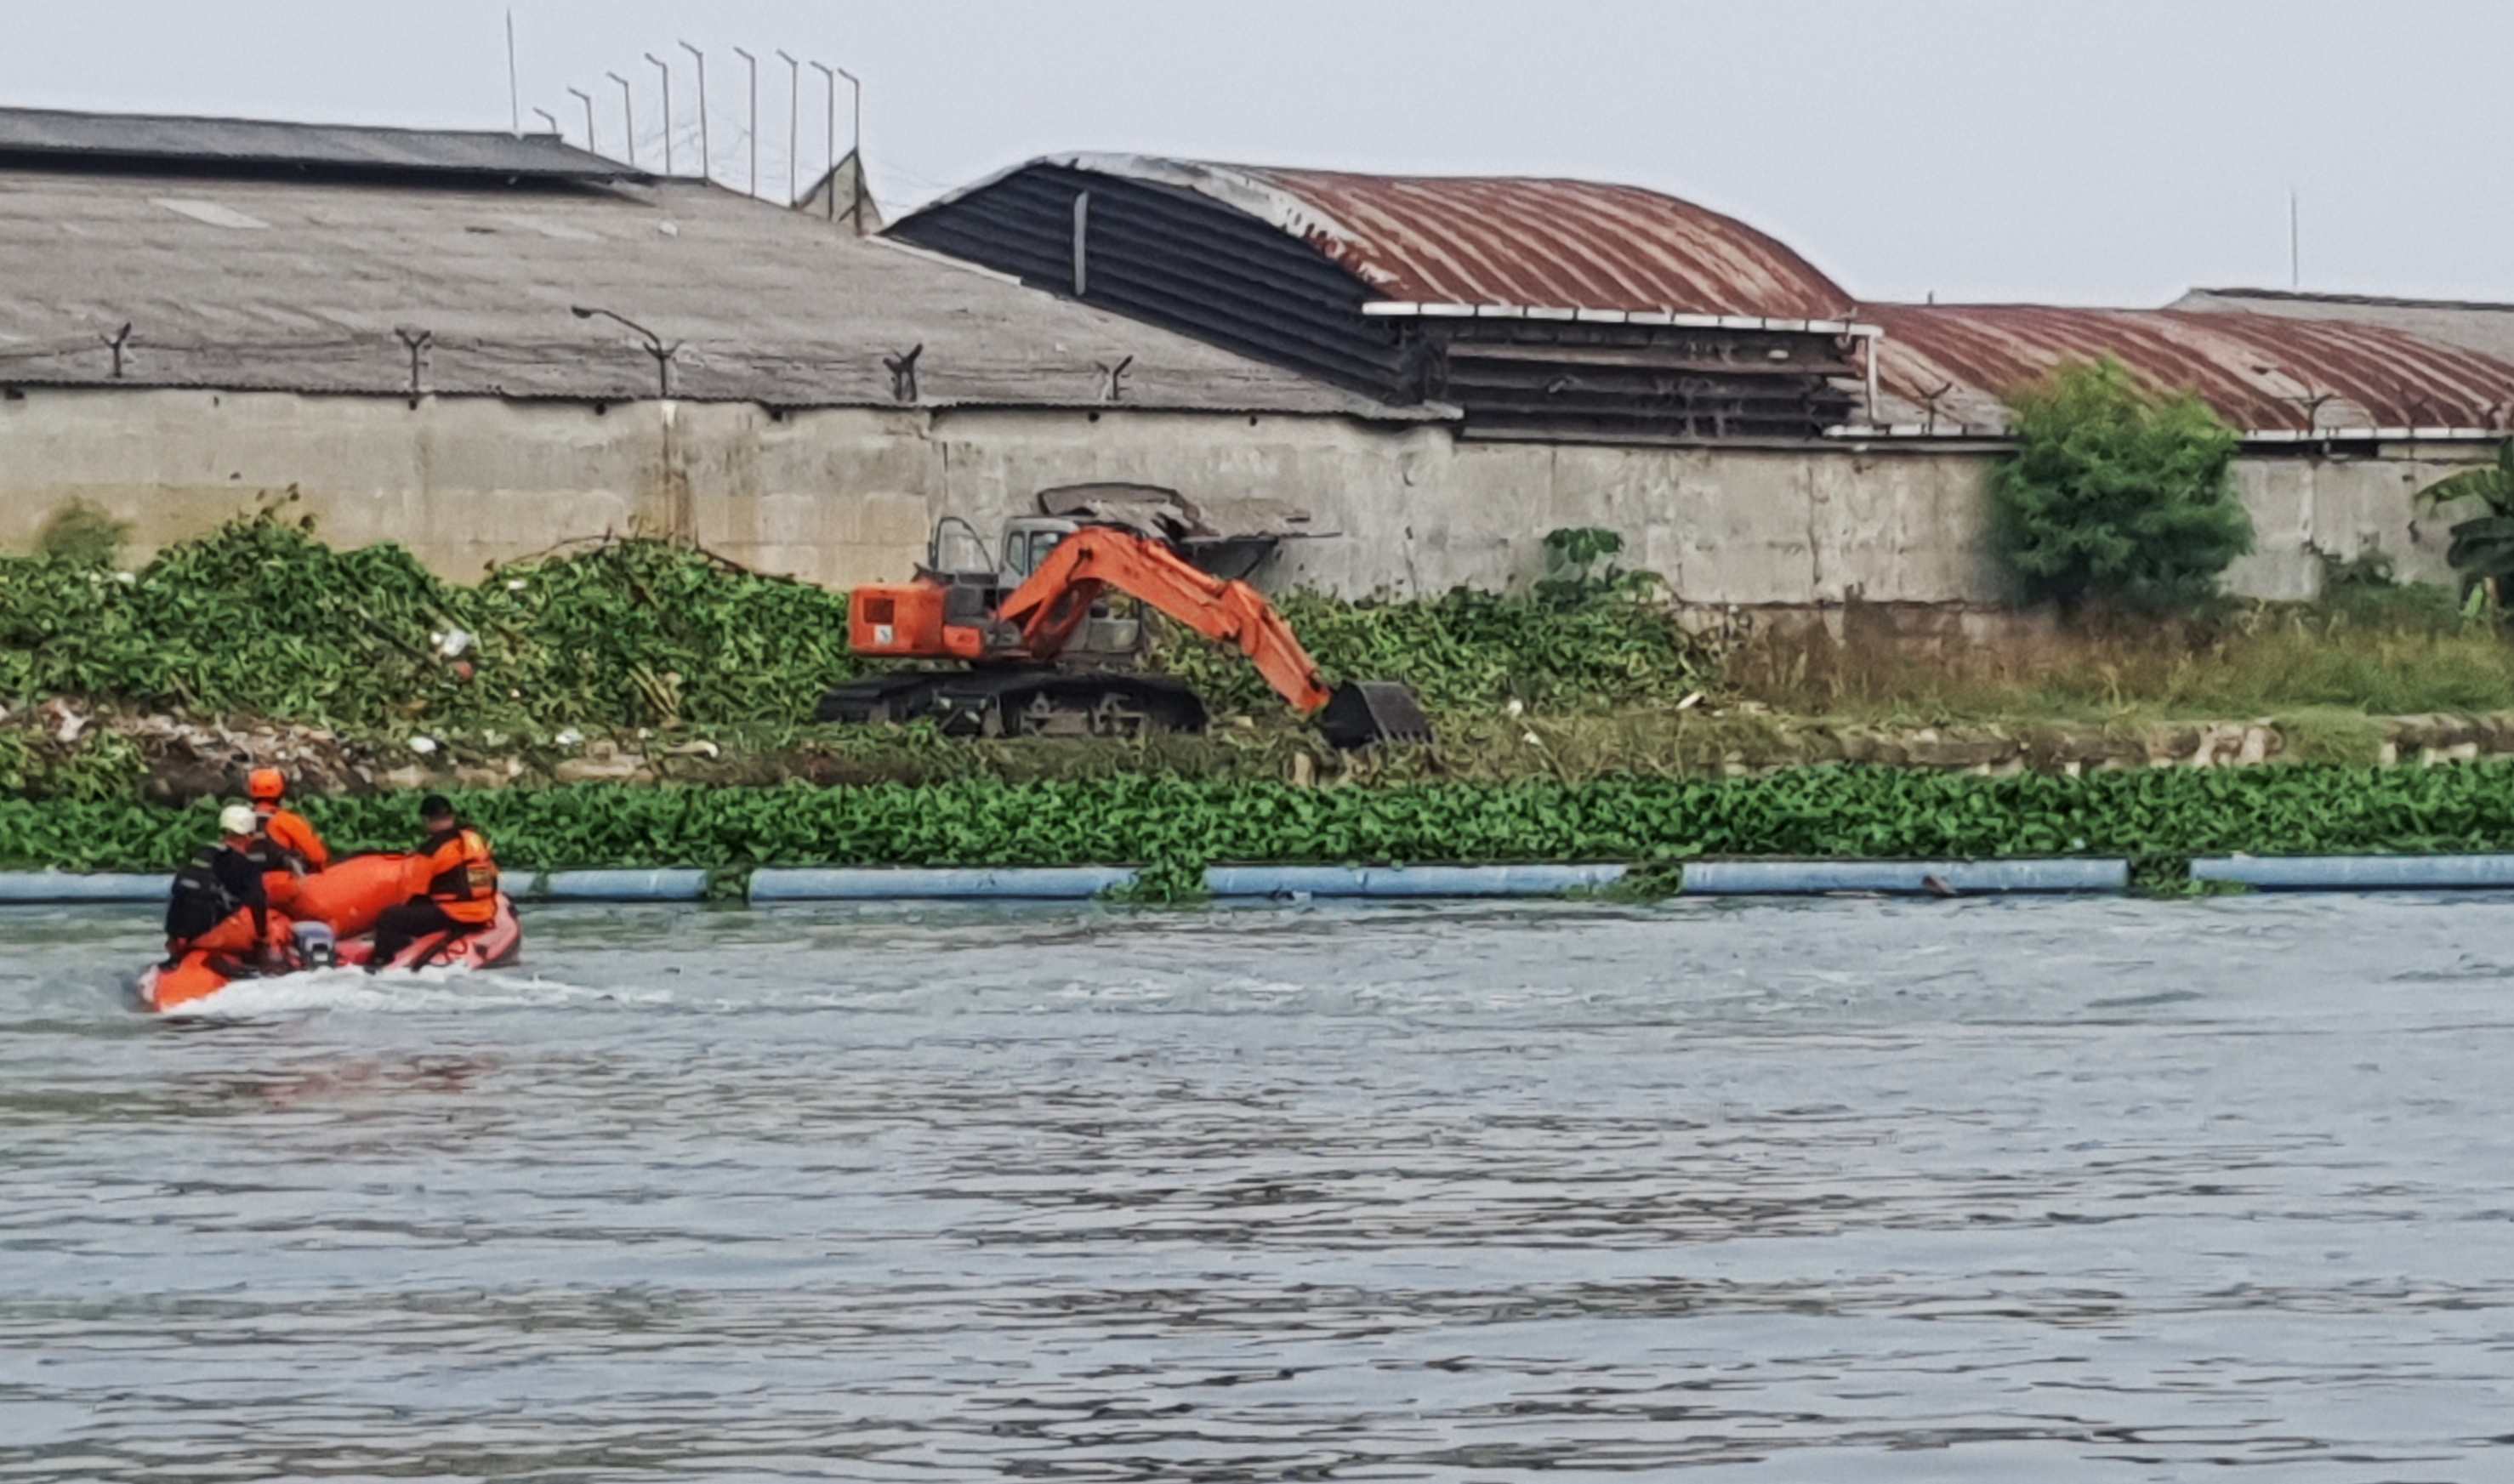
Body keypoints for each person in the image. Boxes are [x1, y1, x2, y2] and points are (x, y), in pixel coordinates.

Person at [368, 794, 499, 969]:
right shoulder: (474, 839)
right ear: (452, 816)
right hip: (484, 912)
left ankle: (385, 961)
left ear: (427, 820)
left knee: (390, 918)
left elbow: (416, 894)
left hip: (455, 915)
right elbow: (492, 874)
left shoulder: (432, 850)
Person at [164, 803, 287, 971]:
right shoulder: (245, 865)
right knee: (268, 926)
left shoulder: (202, 853)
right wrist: (263, 937)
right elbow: (257, 902)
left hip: (176, 930)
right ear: (248, 835)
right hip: (210, 932)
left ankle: (179, 950)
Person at [247, 768, 329, 874]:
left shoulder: (239, 819)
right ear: (281, 790)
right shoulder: (286, 819)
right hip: (283, 882)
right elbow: (318, 856)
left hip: (247, 882)